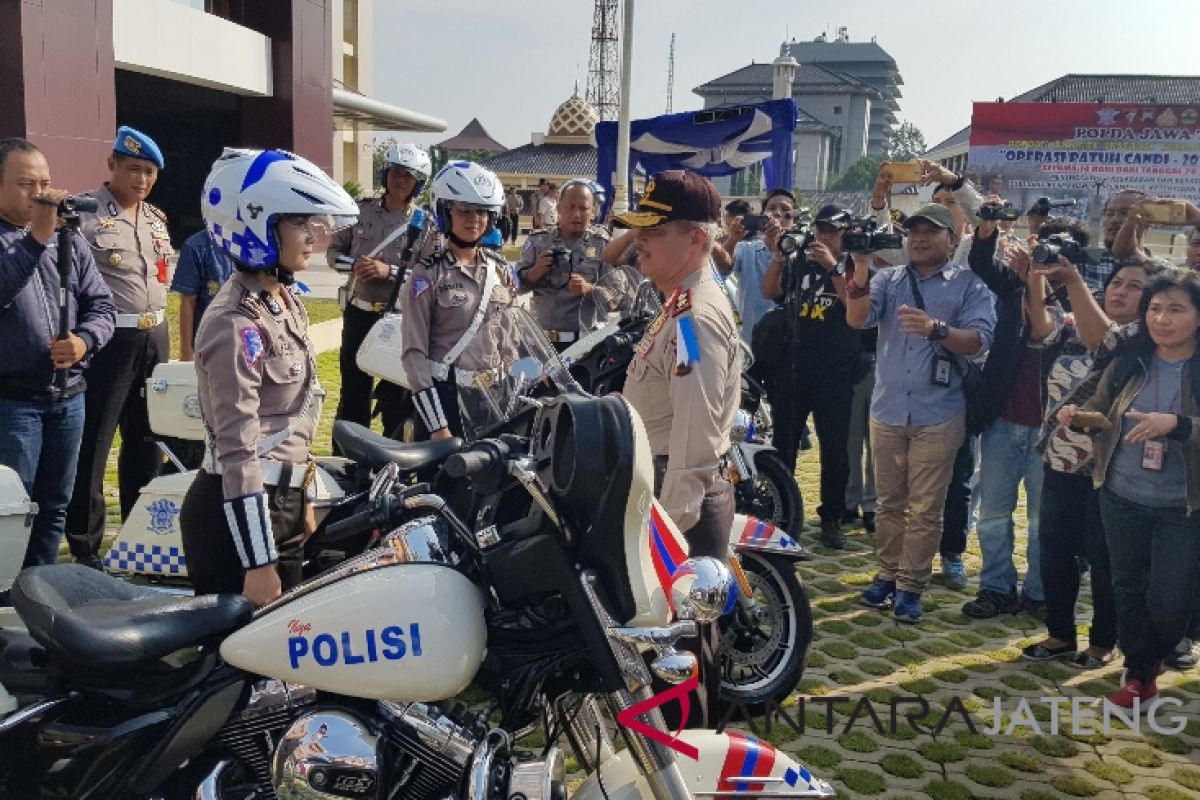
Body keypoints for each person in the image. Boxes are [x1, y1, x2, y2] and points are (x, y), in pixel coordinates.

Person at [180, 148, 357, 606]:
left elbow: (295, 419)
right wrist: (258, 562)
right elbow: (240, 448)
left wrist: (305, 498)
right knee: (237, 665)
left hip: (281, 503)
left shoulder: (286, 302)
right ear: (255, 225)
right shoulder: (234, 323)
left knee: (283, 659)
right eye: (298, 223)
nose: (313, 236)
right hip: (239, 515)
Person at [616, 169, 740, 728]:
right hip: (668, 497)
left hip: (679, 505)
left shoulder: (695, 315)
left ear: (697, 238)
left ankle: (686, 767)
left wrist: (665, 528)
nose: (638, 238)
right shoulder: (677, 302)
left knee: (678, 658)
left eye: (654, 229)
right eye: (638, 227)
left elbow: (696, 435)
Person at [841, 204, 996, 624]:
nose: (920, 238)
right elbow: (857, 319)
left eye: (931, 231)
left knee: (927, 507)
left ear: (953, 238)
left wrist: (936, 330)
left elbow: (980, 342)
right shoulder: (889, 279)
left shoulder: (969, 285)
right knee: (889, 503)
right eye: (914, 232)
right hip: (888, 408)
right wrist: (858, 265)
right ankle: (887, 575)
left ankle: (911, 585)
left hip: (939, 413)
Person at [1061, 271, 1200, 708]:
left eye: (1176, 309)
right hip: (1121, 493)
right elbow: (1100, 409)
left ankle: (1153, 656)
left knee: (1170, 598)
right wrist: (1078, 417)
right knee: (1127, 587)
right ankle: (1140, 676)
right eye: (1155, 309)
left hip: (1183, 505)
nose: (1162, 318)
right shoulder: (1130, 361)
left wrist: (1176, 425)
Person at [1021, 255, 1164, 669]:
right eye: (1117, 283)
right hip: (1060, 460)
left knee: (1105, 560)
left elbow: (1106, 342)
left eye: (1134, 286)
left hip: (1109, 468)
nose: (1120, 290)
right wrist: (1035, 278)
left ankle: (1104, 642)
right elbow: (1041, 328)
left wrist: (1073, 280)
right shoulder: (1072, 328)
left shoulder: (1143, 337)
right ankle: (1060, 634)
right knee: (1054, 551)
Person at [0, 138, 115, 570]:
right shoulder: (29, 238)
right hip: (13, 404)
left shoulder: (68, 239)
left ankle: (40, 593)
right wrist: (36, 238)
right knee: (13, 510)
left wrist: (85, 340)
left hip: (68, 398)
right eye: (26, 184)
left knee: (53, 507)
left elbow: (102, 305)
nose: (42, 194)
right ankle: (8, 604)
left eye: (46, 183)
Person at [64, 126, 173, 569]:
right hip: (110, 341)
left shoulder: (155, 220)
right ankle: (86, 546)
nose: (141, 180)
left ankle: (137, 535)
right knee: (95, 444)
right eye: (133, 169)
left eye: (149, 172)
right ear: (112, 165)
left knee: (147, 441)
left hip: (155, 337)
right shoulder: (83, 216)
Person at [758, 202, 863, 549]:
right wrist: (778, 256)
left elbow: (855, 308)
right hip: (793, 369)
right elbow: (770, 292)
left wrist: (833, 267)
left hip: (835, 372)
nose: (824, 236)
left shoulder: (856, 264)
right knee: (783, 446)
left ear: (845, 233)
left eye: (832, 231)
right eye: (820, 230)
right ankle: (782, 511)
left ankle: (832, 516)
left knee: (835, 450)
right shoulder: (799, 258)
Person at [400, 161, 514, 440]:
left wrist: (533, 375)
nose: (473, 218)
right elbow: (414, 356)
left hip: (492, 400)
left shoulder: (500, 272)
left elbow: (511, 345)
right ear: (445, 212)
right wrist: (438, 427)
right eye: (463, 209)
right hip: (445, 399)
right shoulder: (427, 274)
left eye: (481, 211)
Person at [327, 143, 432, 441]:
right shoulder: (358, 211)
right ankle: (348, 461)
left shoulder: (425, 225)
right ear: (385, 173)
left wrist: (391, 272)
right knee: (353, 392)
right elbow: (334, 253)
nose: (400, 181)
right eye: (396, 173)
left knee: (395, 397)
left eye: (408, 176)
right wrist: (355, 265)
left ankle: (390, 464)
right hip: (358, 312)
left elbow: (428, 278)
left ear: (418, 183)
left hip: (397, 320)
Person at [515, 179, 612, 351]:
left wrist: (589, 289)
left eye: (583, 208)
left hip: (584, 345)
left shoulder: (602, 245)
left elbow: (616, 297)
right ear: (558, 208)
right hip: (542, 344)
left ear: (593, 212)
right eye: (570, 207)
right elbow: (514, 288)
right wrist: (535, 272)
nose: (576, 214)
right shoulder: (538, 241)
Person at [172, 228, 234, 361]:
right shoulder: (197, 246)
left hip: (247, 341)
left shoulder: (254, 244)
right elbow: (188, 302)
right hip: (209, 345)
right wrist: (186, 354)